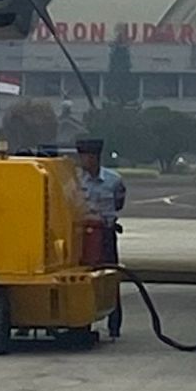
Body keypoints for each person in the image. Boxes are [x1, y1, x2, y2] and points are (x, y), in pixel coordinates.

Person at [74, 137, 127, 340]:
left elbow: (119, 203)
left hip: (105, 234)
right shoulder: (77, 181)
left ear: (93, 157)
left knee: (111, 277)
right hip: (84, 236)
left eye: (85, 157)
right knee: (85, 280)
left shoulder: (114, 181)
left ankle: (115, 325)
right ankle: (83, 323)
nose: (81, 161)